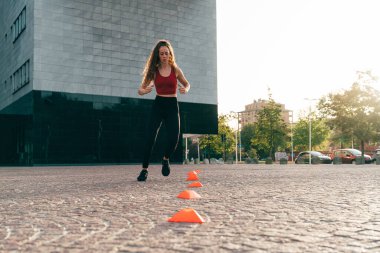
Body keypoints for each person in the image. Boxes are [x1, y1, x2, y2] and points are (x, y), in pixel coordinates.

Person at [137, 40, 190, 181]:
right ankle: (144, 170)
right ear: (158, 55)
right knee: (150, 138)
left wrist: (185, 89)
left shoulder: (176, 70)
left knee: (174, 138)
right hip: (158, 104)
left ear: (170, 54)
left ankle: (165, 158)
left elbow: (187, 83)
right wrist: (145, 91)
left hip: (172, 104)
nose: (164, 56)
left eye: (166, 53)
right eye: (161, 53)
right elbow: (140, 90)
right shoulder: (153, 71)